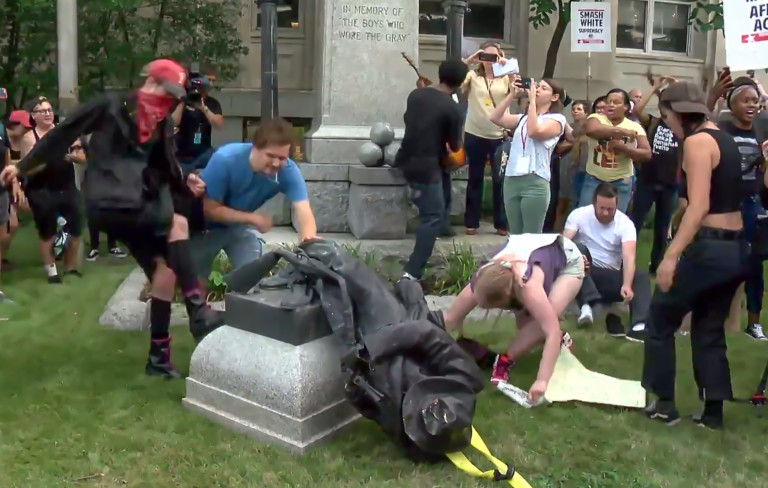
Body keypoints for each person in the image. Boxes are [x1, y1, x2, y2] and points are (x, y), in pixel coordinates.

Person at [0, 59, 224, 378]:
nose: (167, 103)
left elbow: (167, 167)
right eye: (164, 92)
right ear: (148, 83)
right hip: (106, 200)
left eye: (173, 97)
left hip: (137, 207)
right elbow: (62, 134)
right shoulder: (108, 107)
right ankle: (197, 310)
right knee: (177, 223)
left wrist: (187, 182)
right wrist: (22, 167)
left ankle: (159, 359)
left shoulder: (160, 126)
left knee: (164, 272)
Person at [642, 81, 748, 430]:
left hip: (710, 248)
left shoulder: (696, 143)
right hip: (734, 248)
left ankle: (664, 405)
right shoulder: (723, 137)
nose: (666, 123)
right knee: (708, 328)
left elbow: (699, 205)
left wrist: (671, 256)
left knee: (659, 318)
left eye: (666, 115)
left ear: (676, 113)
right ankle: (713, 414)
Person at [442, 233, 584, 402]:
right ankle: (561, 339)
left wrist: (541, 381)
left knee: (547, 318)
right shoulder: (483, 277)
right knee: (526, 327)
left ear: (506, 297)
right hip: (533, 252)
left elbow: (550, 331)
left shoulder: (529, 287)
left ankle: (504, 361)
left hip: (568, 259)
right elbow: (450, 318)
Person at [192, 117, 318, 279]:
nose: (275, 163)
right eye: (270, 155)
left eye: (282, 158)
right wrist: (253, 218)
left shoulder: (288, 171)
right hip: (202, 228)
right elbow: (209, 209)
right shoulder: (225, 159)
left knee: (253, 277)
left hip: (237, 228)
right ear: (255, 147)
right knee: (193, 286)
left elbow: (304, 211)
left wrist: (308, 243)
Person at [395, 59, 467, 281]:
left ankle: (445, 226)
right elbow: (455, 146)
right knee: (431, 217)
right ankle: (412, 271)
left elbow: (409, 121)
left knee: (442, 184)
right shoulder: (452, 108)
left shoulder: (416, 95)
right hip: (427, 168)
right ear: (461, 82)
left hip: (406, 158)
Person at [714, 77, 768, 341]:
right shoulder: (722, 129)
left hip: (752, 204)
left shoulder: (761, 131)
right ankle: (713, 316)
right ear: (731, 104)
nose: (751, 105)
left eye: (755, 101)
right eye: (745, 100)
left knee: (753, 264)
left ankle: (754, 322)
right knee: (719, 259)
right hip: (723, 203)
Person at [564, 183, 651, 342]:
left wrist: (626, 284)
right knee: (577, 249)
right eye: (601, 208)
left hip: (608, 276)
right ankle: (587, 305)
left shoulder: (625, 224)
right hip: (581, 272)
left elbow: (629, 256)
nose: (605, 213)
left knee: (641, 276)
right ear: (594, 203)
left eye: (610, 209)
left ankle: (639, 326)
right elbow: (563, 244)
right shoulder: (579, 215)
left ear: (617, 205)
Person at [489, 78, 567, 234]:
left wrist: (532, 102)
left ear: (554, 97)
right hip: (512, 179)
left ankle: (531, 259)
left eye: (543, 88)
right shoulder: (522, 119)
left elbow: (534, 132)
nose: (537, 90)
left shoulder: (557, 119)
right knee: (515, 234)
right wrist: (511, 95)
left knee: (531, 235)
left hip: (535, 181)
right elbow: (495, 118)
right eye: (537, 86)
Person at [19, 96, 83, 283]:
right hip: (41, 189)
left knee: (76, 229)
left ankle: (70, 269)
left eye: (49, 110)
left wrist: (70, 157)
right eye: (42, 111)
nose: (48, 114)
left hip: (67, 186)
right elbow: (28, 168)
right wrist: (49, 159)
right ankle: (52, 272)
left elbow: (82, 157)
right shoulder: (29, 138)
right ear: (34, 116)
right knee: (48, 232)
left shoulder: (66, 132)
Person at [629, 76, 681, 275]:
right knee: (635, 222)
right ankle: (626, 260)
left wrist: (675, 87)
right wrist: (656, 87)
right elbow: (637, 110)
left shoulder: (681, 127)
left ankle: (656, 265)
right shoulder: (653, 122)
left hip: (670, 185)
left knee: (662, 228)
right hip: (648, 182)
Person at [461, 42, 510, 236]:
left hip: (498, 135)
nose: (490, 61)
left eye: (494, 56)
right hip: (474, 133)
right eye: (486, 56)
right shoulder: (473, 76)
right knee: (475, 177)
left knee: (500, 179)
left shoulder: (505, 77)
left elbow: (519, 90)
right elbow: (457, 83)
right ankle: (471, 221)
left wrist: (507, 66)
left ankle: (501, 223)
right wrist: (469, 61)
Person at [580, 89, 652, 212]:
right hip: (594, 179)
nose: (611, 105)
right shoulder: (596, 118)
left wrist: (624, 148)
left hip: (621, 182)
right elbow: (592, 130)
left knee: (616, 220)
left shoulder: (635, 127)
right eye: (609, 102)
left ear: (626, 107)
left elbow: (646, 154)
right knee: (585, 217)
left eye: (616, 102)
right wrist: (621, 131)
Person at [64, 136, 127, 261]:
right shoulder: (85, 137)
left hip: (111, 177)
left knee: (112, 212)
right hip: (92, 178)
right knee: (93, 212)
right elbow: (80, 156)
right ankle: (94, 247)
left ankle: (112, 246)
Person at [171, 72, 223, 173]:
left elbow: (219, 124)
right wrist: (183, 101)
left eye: (213, 81)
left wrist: (204, 108)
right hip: (182, 154)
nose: (199, 90)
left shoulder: (212, 103)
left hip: (204, 152)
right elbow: (173, 122)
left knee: (217, 162)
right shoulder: (182, 101)